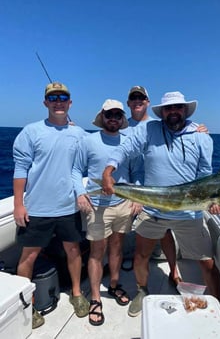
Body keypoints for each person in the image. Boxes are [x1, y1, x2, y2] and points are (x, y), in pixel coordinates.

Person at [102, 90, 220, 317]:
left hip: (188, 214)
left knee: (206, 262)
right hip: (153, 210)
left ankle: (219, 302)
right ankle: (141, 290)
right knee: (141, 256)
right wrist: (109, 168)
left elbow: (206, 175)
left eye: (178, 107)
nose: (173, 111)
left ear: (185, 110)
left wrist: (211, 202)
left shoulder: (201, 137)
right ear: (162, 112)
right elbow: (125, 149)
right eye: (169, 108)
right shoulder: (149, 129)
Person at [13, 82, 89, 329]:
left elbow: (106, 144)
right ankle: (28, 304)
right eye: (53, 98)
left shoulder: (79, 134)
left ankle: (77, 293)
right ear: (45, 103)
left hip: (68, 207)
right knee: (29, 256)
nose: (58, 101)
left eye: (63, 97)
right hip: (36, 208)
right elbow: (20, 169)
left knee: (74, 251)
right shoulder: (30, 132)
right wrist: (18, 205)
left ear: (70, 103)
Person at [124, 86, 208, 289]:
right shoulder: (121, 124)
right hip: (144, 191)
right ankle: (138, 285)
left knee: (169, 235)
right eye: (133, 98)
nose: (137, 101)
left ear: (147, 102)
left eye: (141, 97)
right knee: (147, 244)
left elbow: (204, 172)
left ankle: (174, 271)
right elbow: (111, 145)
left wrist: (197, 132)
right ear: (127, 104)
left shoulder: (154, 125)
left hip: (168, 195)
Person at [71, 99, 143, 326]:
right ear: (102, 117)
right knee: (96, 251)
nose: (113, 118)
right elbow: (74, 170)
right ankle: (94, 297)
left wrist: (137, 198)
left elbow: (137, 172)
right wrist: (80, 193)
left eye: (117, 115)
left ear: (122, 119)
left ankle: (113, 285)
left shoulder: (129, 142)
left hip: (123, 204)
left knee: (117, 247)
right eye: (109, 114)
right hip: (97, 205)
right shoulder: (88, 141)